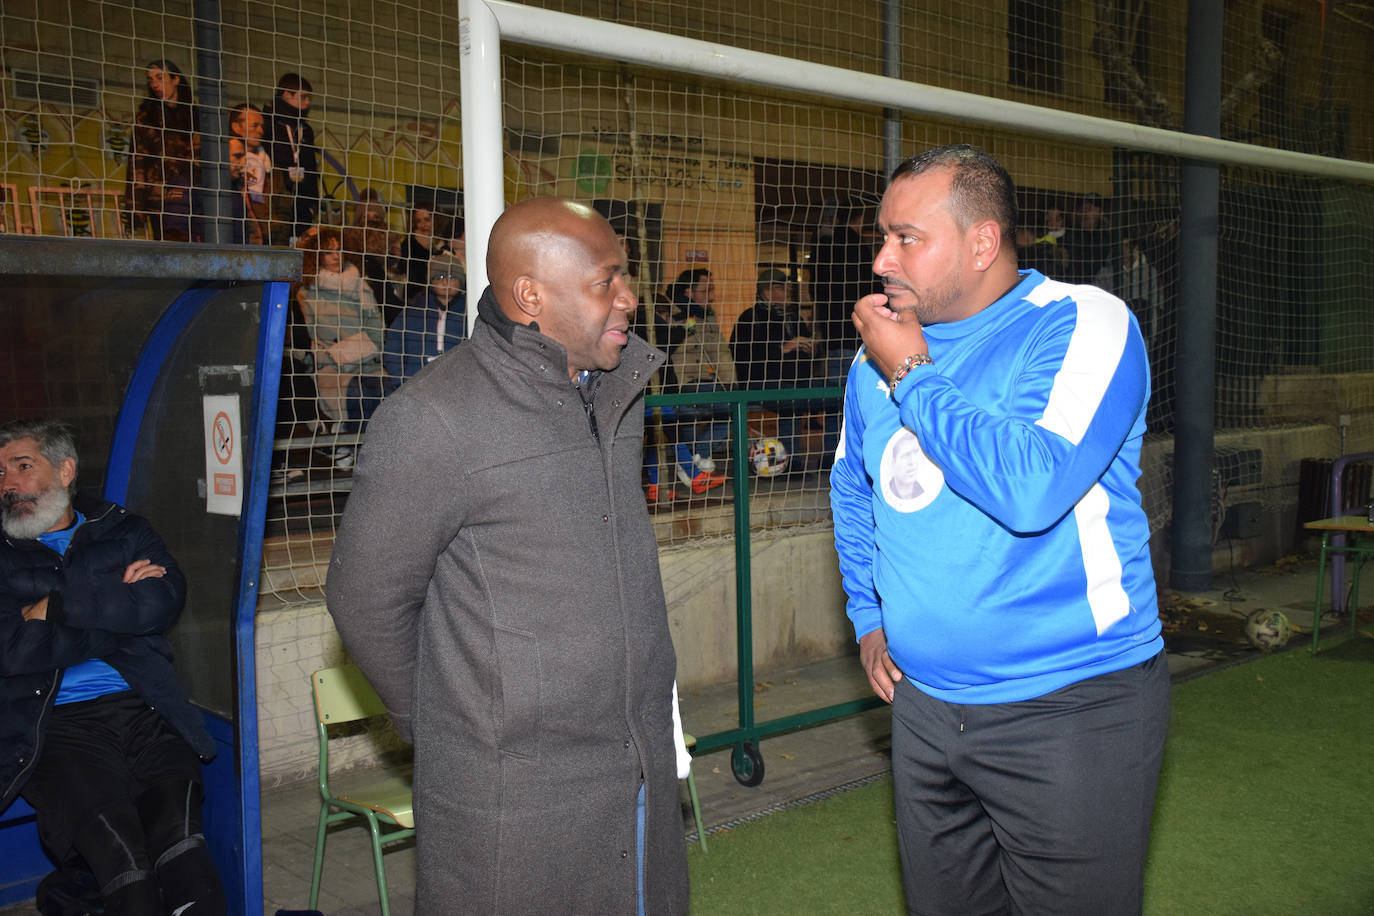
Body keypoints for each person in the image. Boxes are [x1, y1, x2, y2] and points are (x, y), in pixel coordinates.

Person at [326, 197, 689, 915]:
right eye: (606, 282)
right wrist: (456, 723)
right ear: (531, 296)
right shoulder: (433, 419)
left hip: (635, 766)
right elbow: (365, 600)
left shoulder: (616, 393)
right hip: (516, 796)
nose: (630, 298)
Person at [831, 144, 1168, 916]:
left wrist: (915, 377)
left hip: (1073, 708)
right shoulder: (870, 361)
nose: (883, 258)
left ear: (982, 242)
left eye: (907, 238)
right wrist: (869, 613)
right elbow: (853, 487)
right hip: (924, 712)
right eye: (883, 235)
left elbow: (1031, 488)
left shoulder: (1085, 322)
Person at [0, 419, 225, 915]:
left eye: (22, 466)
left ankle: (72, 892)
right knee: (128, 870)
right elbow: (12, 649)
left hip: (146, 710)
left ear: (64, 470)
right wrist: (117, 607)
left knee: (185, 856)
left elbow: (161, 605)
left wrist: (55, 607)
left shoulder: (123, 529)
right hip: (56, 726)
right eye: (0, 473)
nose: (7, 484)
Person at [295, 226, 386, 467]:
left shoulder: (360, 285)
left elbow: (377, 330)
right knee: (343, 397)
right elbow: (311, 339)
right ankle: (343, 445)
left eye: (339, 250)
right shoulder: (306, 293)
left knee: (387, 395)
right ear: (317, 256)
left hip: (367, 362)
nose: (336, 256)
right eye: (328, 252)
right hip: (329, 366)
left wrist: (347, 350)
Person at [664, 268, 732, 492]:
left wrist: (732, 385)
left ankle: (697, 455)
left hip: (704, 380)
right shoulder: (671, 313)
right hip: (680, 383)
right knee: (688, 416)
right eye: (707, 290)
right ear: (689, 292)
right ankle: (692, 462)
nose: (712, 296)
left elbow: (719, 352)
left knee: (735, 407)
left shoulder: (707, 314)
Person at [127, 60, 199, 242]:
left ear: (175, 79)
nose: (154, 84)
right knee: (168, 250)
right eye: (150, 80)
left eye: (160, 78)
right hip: (160, 200)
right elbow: (137, 162)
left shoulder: (195, 115)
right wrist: (135, 206)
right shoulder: (146, 117)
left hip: (193, 196)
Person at [384, 252, 466, 384]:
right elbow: (393, 351)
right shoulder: (411, 314)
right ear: (431, 282)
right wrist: (404, 381)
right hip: (416, 384)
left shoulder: (470, 313)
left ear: (461, 281)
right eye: (439, 277)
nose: (445, 282)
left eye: (451, 276)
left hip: (459, 384)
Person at [263, 73, 319, 244]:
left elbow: (310, 168)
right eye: (303, 97)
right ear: (287, 94)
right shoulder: (268, 123)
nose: (307, 102)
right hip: (277, 199)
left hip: (302, 202)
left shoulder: (306, 130)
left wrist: (312, 203)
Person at [227, 103, 271, 245]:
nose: (260, 131)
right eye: (254, 125)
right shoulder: (227, 174)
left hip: (267, 244)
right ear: (236, 127)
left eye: (262, 126)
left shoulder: (270, 168)